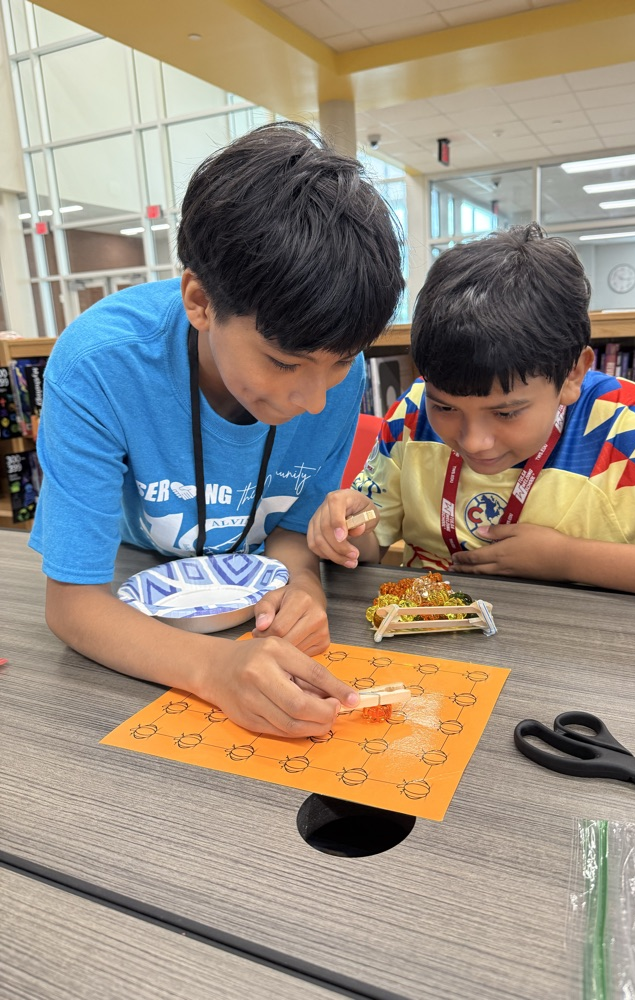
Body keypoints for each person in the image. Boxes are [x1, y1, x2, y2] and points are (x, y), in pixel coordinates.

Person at [30, 121, 405, 736]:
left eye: (337, 364)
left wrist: (303, 587)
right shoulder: (101, 364)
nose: (314, 399)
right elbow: (73, 605)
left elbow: (290, 532)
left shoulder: (333, 368)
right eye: (284, 363)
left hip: (250, 614)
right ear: (200, 302)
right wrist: (215, 670)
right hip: (134, 593)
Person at [308, 223, 635, 610]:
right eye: (445, 406)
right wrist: (347, 530)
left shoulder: (626, 430)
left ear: (573, 374)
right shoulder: (412, 416)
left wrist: (569, 559)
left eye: (506, 411)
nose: (475, 439)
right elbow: (371, 544)